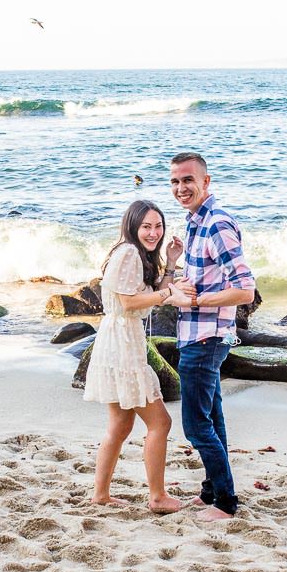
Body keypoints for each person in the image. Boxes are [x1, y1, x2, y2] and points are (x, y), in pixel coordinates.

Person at [162, 152, 256, 522]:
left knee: (196, 426)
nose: (181, 188)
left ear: (206, 181)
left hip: (207, 337)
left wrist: (196, 300)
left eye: (188, 180)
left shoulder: (216, 224)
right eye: (175, 181)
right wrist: (173, 265)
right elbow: (198, 281)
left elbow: (245, 290)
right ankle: (211, 492)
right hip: (198, 335)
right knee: (212, 419)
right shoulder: (194, 224)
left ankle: (226, 503)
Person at [83, 199, 186, 515]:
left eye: (158, 226)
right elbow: (129, 302)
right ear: (132, 226)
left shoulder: (134, 253)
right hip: (123, 343)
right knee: (160, 422)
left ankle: (100, 495)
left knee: (120, 425)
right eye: (146, 226)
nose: (154, 233)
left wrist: (171, 263)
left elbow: (150, 298)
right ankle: (157, 496)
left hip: (118, 339)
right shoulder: (128, 252)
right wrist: (170, 293)